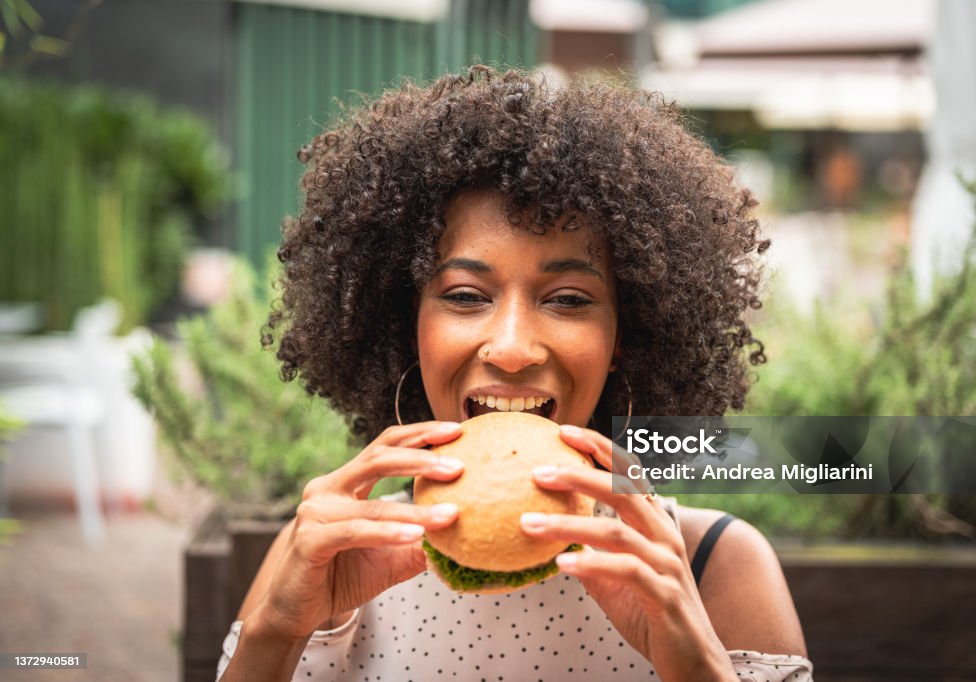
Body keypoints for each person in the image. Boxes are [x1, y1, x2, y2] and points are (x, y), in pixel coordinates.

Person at [217, 65, 812, 682]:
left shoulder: (715, 563)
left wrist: (695, 663)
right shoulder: (323, 554)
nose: (511, 349)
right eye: (467, 295)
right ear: (407, 326)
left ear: (623, 336)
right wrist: (277, 631)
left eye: (569, 299)